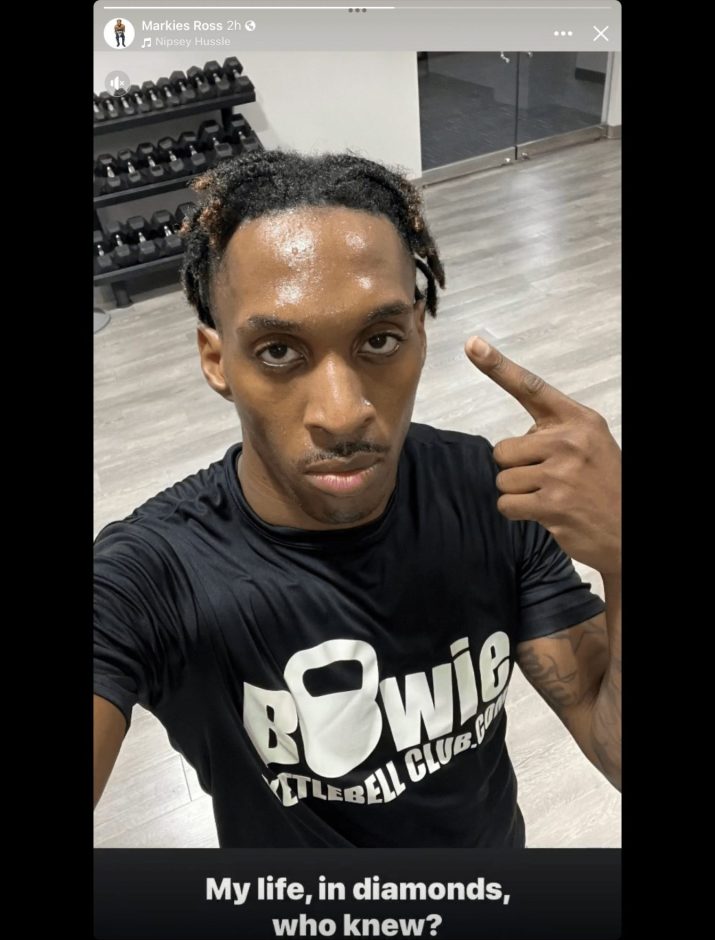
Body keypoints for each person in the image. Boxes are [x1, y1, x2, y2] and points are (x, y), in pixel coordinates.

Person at [93, 150, 621, 848]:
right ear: (217, 361)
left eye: (379, 340)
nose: (341, 416)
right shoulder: (150, 576)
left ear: (419, 334)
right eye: (279, 351)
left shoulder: (492, 495)